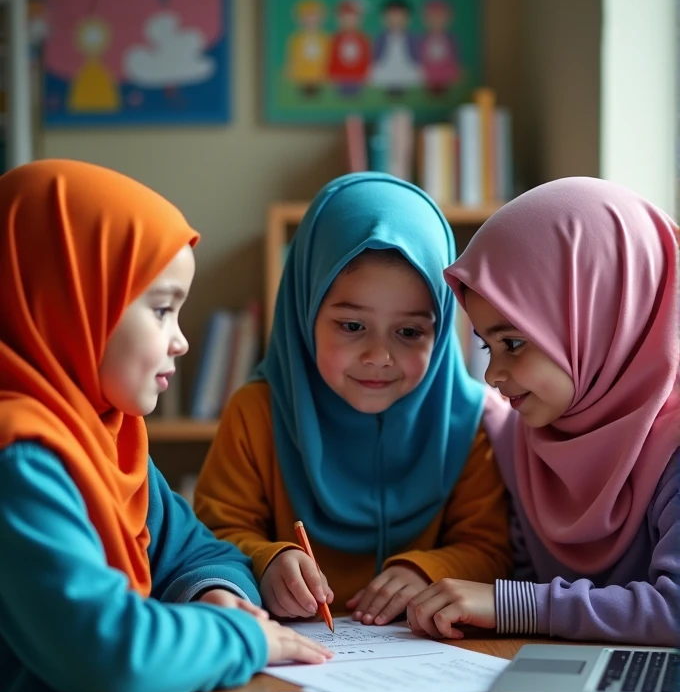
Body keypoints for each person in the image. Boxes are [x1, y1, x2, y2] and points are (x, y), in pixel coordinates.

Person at [0, 160, 330, 692]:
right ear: (69, 300)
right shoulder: (20, 460)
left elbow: (195, 546)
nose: (181, 338)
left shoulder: (107, 430)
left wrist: (214, 591)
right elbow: (110, 654)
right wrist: (243, 635)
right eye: (161, 308)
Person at [194, 173, 511, 625]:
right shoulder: (257, 413)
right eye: (351, 326)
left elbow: (492, 550)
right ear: (306, 311)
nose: (379, 357)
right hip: (292, 655)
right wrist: (267, 561)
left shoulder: (468, 421)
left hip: (422, 657)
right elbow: (212, 537)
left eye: (409, 332)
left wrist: (427, 570)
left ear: (441, 334)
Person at [407, 177, 680, 645]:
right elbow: (512, 571)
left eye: (513, 343)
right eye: (487, 346)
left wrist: (517, 604)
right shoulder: (518, 439)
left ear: (600, 319)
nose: (493, 374)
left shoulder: (671, 446)